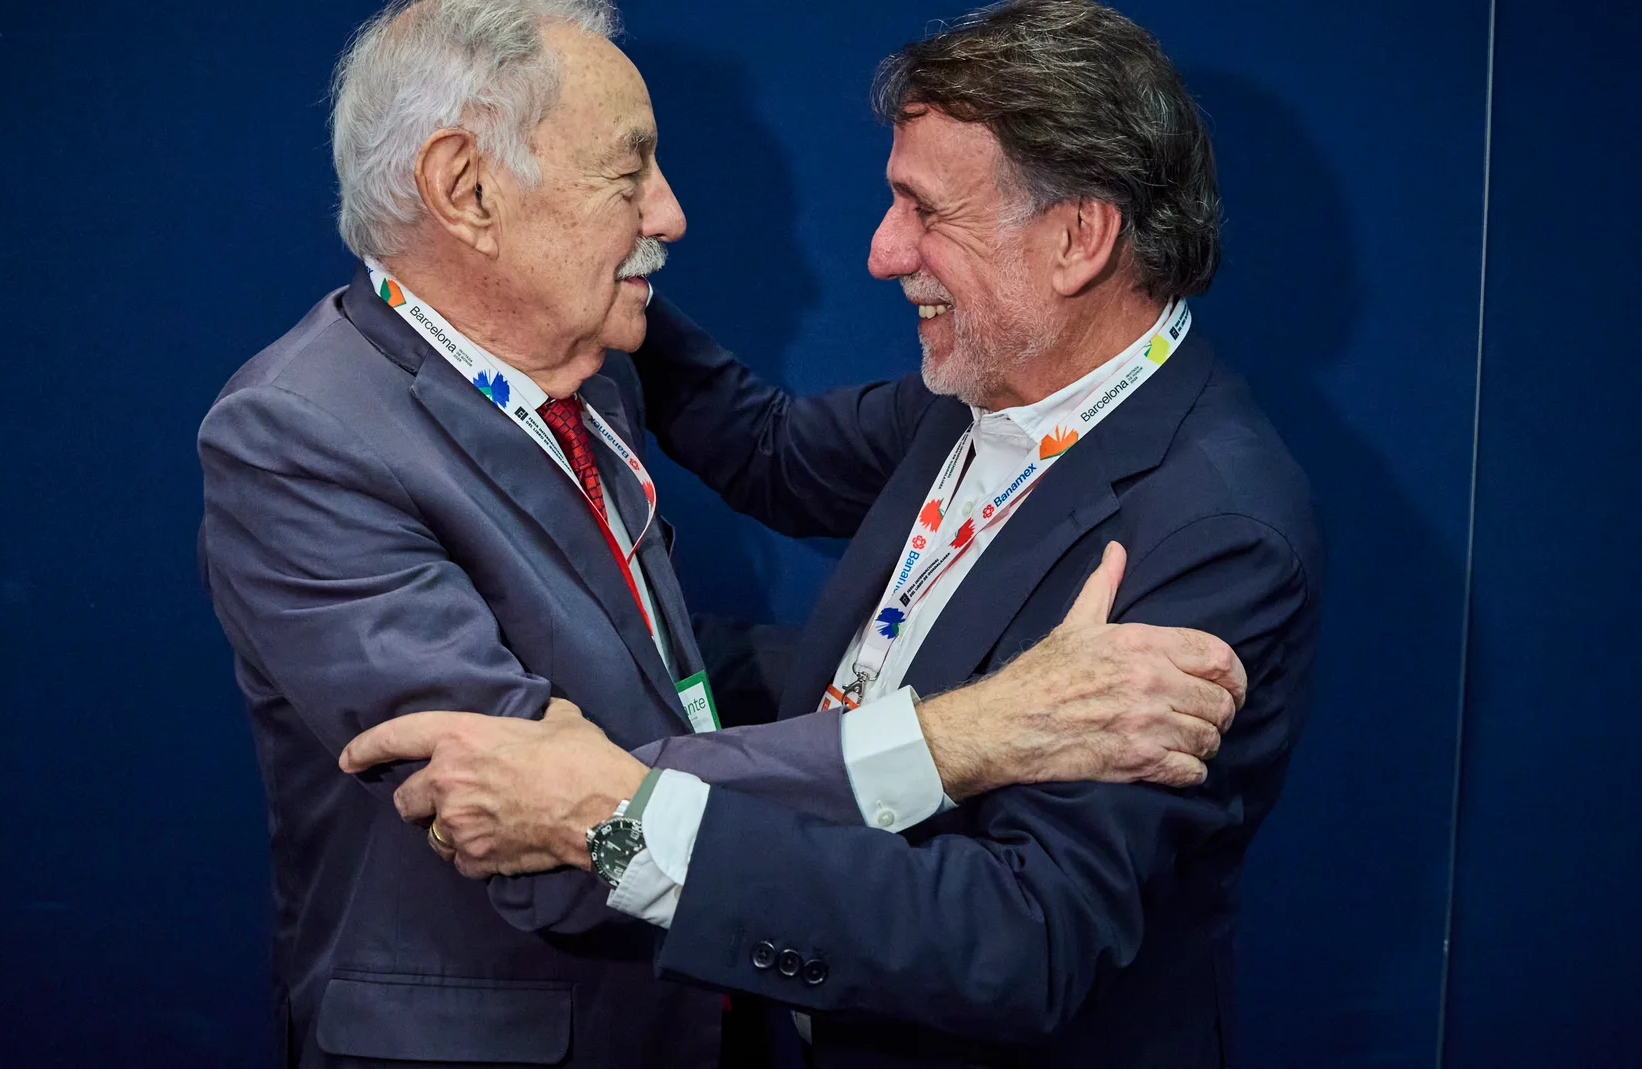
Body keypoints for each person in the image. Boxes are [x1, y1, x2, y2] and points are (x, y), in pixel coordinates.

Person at [199, 1, 1247, 1066]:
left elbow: (638, 673)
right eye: (630, 170)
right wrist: (967, 729)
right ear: (467, 189)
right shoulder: (299, 437)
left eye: (926, 210)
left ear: (1078, 237)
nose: (671, 213)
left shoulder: (589, 360)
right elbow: (536, 831)